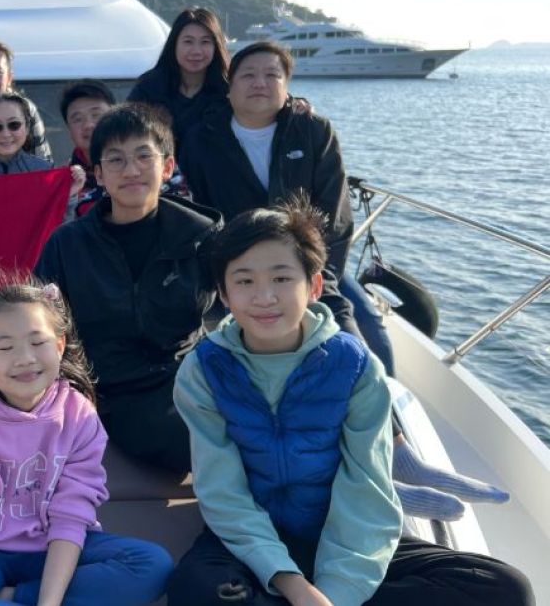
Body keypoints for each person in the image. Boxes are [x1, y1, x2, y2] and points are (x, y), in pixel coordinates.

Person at [167, 202, 532, 606]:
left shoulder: (354, 366)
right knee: (196, 592)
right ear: (223, 293)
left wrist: (336, 595)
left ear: (314, 285)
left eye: (282, 277)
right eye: (245, 281)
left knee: (503, 588)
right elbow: (224, 493)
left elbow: (367, 487)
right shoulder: (203, 370)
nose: (264, 296)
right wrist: (292, 583)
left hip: (343, 527)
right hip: (250, 536)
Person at [0, 278, 174, 606]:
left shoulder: (78, 412)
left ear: (60, 346)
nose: (25, 359)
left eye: (38, 342)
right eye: (5, 348)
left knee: (153, 565)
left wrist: (47, 601)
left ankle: (11, 597)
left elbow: (71, 516)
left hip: (56, 546)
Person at [176, 41, 392, 374]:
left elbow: (334, 216)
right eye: (247, 75)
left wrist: (316, 276)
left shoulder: (313, 131)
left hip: (309, 261)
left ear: (287, 87)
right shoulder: (201, 140)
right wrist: (225, 277)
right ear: (229, 88)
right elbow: (198, 213)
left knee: (369, 330)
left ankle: (388, 419)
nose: (259, 83)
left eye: (272, 75)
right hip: (237, 268)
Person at [34, 104, 220, 472]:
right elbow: (38, 320)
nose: (132, 170)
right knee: (187, 444)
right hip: (114, 388)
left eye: (143, 156)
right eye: (116, 160)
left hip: (193, 376)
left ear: (167, 167)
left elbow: (241, 308)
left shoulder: (202, 237)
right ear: (99, 174)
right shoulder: (68, 244)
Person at [127, 7, 230, 148]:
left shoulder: (228, 91)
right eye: (188, 42)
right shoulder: (149, 87)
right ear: (174, 44)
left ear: (216, 47)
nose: (196, 51)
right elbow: (126, 131)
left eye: (205, 42)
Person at [59, 79, 115, 218]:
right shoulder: (64, 181)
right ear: (69, 130)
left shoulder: (141, 165)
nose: (88, 125)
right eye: (77, 119)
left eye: (96, 115)